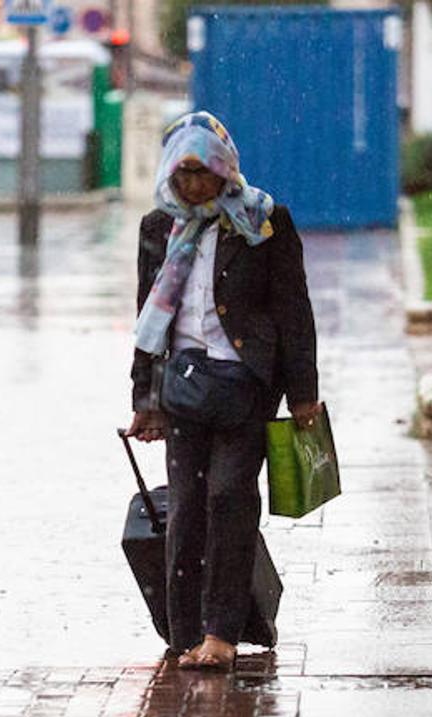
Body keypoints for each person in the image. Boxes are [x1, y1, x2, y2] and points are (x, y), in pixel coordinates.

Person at [126, 112, 321, 671]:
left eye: (203, 173)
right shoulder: (157, 227)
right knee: (186, 508)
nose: (193, 186)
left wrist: (303, 394)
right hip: (183, 388)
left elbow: (294, 312)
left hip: (246, 387)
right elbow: (147, 316)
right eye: (183, 174)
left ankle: (222, 633)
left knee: (230, 500)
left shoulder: (263, 222)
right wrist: (145, 399)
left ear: (225, 170)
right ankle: (183, 631)